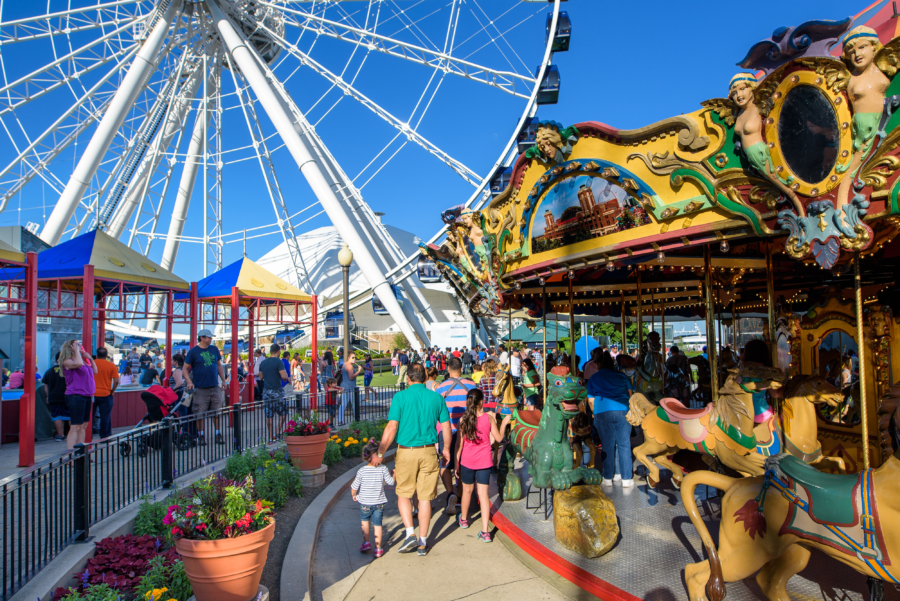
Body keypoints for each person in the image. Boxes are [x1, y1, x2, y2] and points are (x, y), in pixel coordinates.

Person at [371, 363, 451, 557]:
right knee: (425, 497)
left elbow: (391, 428)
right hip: (429, 451)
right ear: (424, 378)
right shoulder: (436, 398)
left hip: (406, 451)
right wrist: (447, 449)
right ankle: (423, 542)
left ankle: (409, 534)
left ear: (408, 378)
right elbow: (447, 427)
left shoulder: (400, 397)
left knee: (404, 494)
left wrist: (380, 453)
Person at [455, 388, 511, 541]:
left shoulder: (463, 420)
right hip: (484, 462)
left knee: (467, 491)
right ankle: (485, 532)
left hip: (467, 461)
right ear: (481, 401)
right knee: (483, 495)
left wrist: (456, 464)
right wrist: (504, 423)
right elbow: (498, 438)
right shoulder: (489, 418)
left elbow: (459, 446)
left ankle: (464, 519)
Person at [434, 356, 476, 515]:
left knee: (445, 463)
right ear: (461, 368)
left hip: (447, 430)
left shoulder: (441, 387)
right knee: (464, 463)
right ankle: (459, 496)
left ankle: (450, 493)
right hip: (467, 430)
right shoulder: (471, 385)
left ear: (448, 369)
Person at [587, 352, 634, 487]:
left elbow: (591, 401)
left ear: (599, 364)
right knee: (624, 445)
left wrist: (595, 413)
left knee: (607, 445)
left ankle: (608, 477)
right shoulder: (622, 376)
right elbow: (630, 395)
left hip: (602, 411)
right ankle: (625, 478)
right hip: (623, 411)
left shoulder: (594, 377)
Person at [351, 439, 396, 558]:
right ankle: (378, 548)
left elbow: (354, 486)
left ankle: (366, 543)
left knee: (365, 522)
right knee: (378, 525)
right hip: (379, 503)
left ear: (366, 457)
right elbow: (391, 482)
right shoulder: (383, 469)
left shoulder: (362, 471)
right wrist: (394, 474)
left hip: (365, 502)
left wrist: (354, 495)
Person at [183, 329, 226, 445]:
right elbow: (185, 368)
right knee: (199, 413)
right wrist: (189, 381)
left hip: (214, 386)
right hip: (200, 388)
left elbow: (219, 365)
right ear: (201, 337)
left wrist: (223, 380)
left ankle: (218, 433)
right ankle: (201, 435)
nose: (211, 339)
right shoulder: (193, 352)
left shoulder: (214, 349)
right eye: (208, 337)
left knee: (216, 411)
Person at [60, 339, 97, 449]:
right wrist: (77, 351)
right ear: (71, 347)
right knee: (75, 426)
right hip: (75, 395)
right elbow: (78, 363)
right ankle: (71, 454)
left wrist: (90, 358)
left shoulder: (83, 361)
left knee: (83, 426)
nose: (80, 346)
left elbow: (94, 371)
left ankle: (81, 453)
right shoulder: (67, 361)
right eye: (77, 345)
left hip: (87, 395)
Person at [259, 344, 290, 442]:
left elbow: (261, 377)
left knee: (269, 415)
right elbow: (284, 376)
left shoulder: (263, 363)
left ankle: (270, 436)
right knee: (283, 413)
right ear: (278, 351)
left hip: (266, 391)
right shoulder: (278, 362)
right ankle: (277, 432)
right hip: (277, 391)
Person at [92, 347, 120, 439]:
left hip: (91, 393)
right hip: (106, 393)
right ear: (107, 355)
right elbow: (116, 381)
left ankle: (89, 434)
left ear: (97, 355)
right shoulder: (111, 365)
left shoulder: (91, 364)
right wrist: (112, 391)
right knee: (105, 415)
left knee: (90, 414)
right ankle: (105, 436)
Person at [43, 353, 69, 441]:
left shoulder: (49, 371)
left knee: (57, 416)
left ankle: (60, 435)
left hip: (53, 397)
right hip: (68, 396)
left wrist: (47, 397)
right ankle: (71, 435)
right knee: (70, 416)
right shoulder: (68, 370)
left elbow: (46, 386)